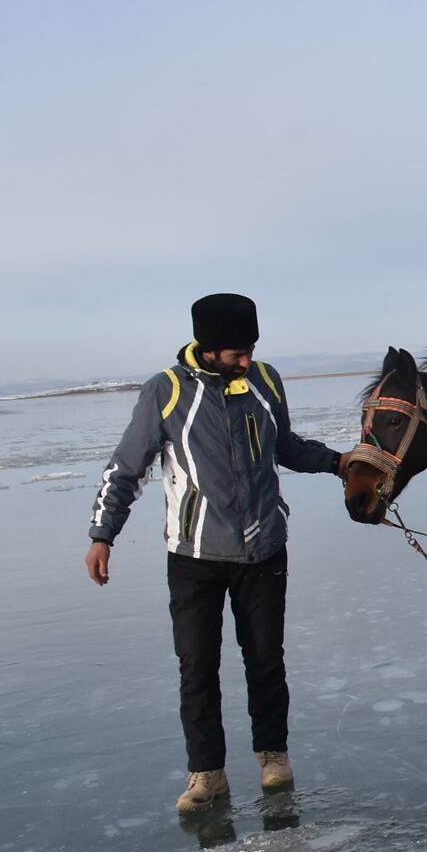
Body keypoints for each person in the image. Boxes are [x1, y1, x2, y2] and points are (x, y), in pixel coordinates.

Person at [85, 293, 347, 812]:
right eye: (236, 353)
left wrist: (340, 463)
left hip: (265, 550)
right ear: (206, 349)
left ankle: (274, 757)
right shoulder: (165, 391)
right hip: (194, 556)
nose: (247, 360)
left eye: (251, 348)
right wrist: (102, 534)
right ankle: (208, 776)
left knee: (267, 662)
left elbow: (286, 446)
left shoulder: (266, 382)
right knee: (197, 668)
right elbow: (126, 467)